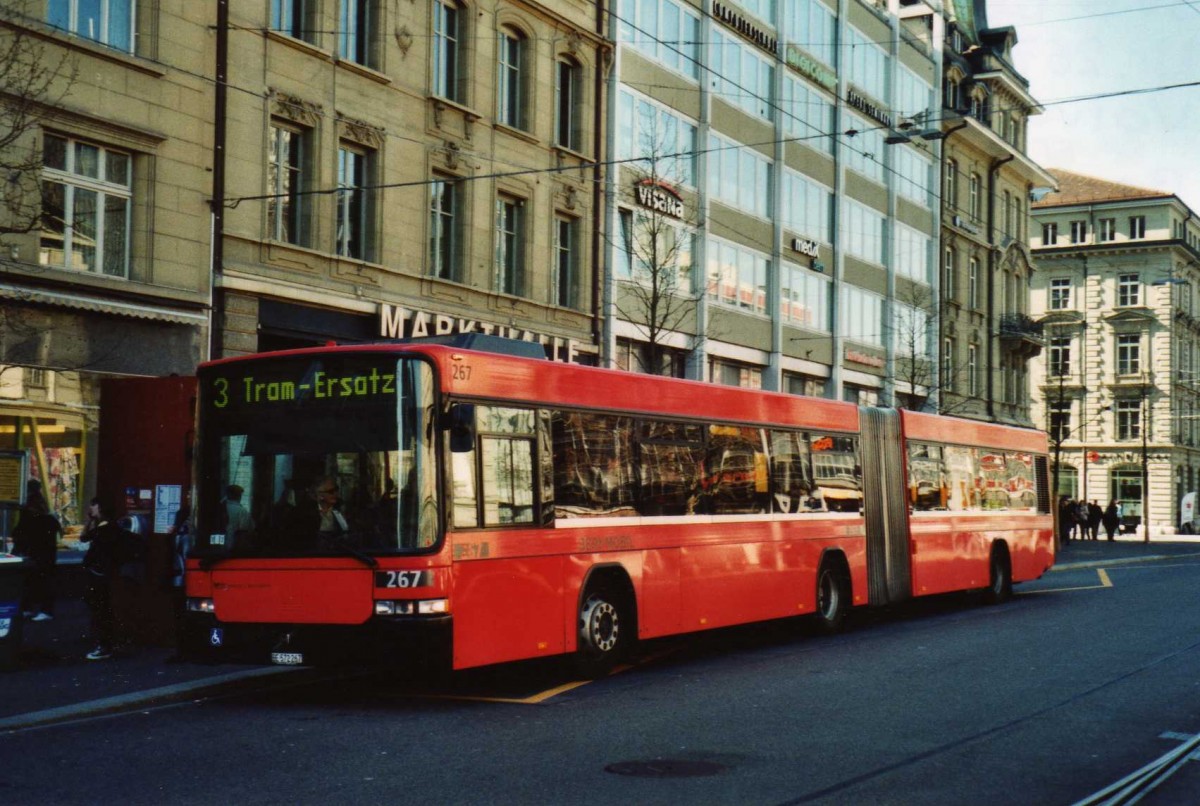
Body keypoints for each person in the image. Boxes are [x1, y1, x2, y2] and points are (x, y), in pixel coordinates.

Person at [79, 497, 138, 661]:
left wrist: (89, 521)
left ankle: (104, 645)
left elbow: (84, 538)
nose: (92, 508)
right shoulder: (108, 528)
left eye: (94, 506)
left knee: (101, 610)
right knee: (102, 609)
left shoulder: (104, 529)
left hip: (100, 575)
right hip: (105, 574)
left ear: (102, 508)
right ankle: (104, 643)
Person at [11, 479, 62, 622]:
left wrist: (18, 546)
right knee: (44, 580)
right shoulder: (42, 508)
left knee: (32, 580)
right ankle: (43, 610)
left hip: (35, 550)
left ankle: (30, 608)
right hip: (46, 551)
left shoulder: (28, 509)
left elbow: (20, 531)